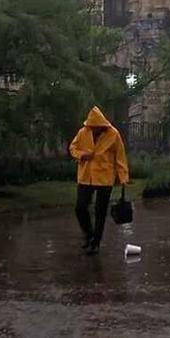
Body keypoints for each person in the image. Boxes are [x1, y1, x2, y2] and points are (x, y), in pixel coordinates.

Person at [69, 106, 130, 255]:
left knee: (100, 211)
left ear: (102, 125)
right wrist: (82, 155)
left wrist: (123, 177)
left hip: (105, 177)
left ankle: (95, 242)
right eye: (92, 127)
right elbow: (73, 147)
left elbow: (120, 156)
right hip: (86, 176)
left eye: (97, 127)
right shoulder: (83, 132)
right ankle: (88, 235)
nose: (94, 130)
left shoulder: (113, 134)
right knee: (80, 207)